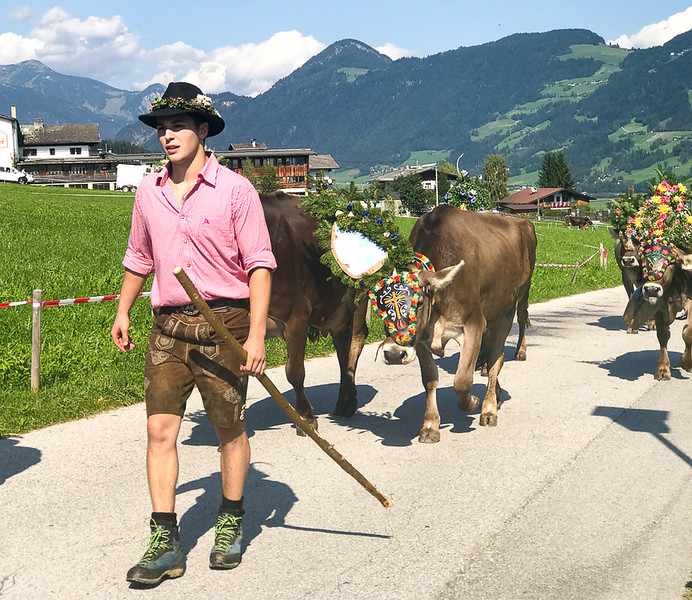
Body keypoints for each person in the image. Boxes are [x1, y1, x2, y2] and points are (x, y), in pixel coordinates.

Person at [111, 81, 276, 586]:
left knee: (228, 427)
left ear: (203, 131)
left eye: (178, 126)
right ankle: (166, 541)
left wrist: (256, 336)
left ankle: (230, 521)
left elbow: (260, 264)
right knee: (160, 430)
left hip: (224, 325)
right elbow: (139, 257)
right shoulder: (148, 191)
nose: (167, 136)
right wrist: (122, 311)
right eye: (162, 128)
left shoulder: (235, 190)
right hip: (168, 326)